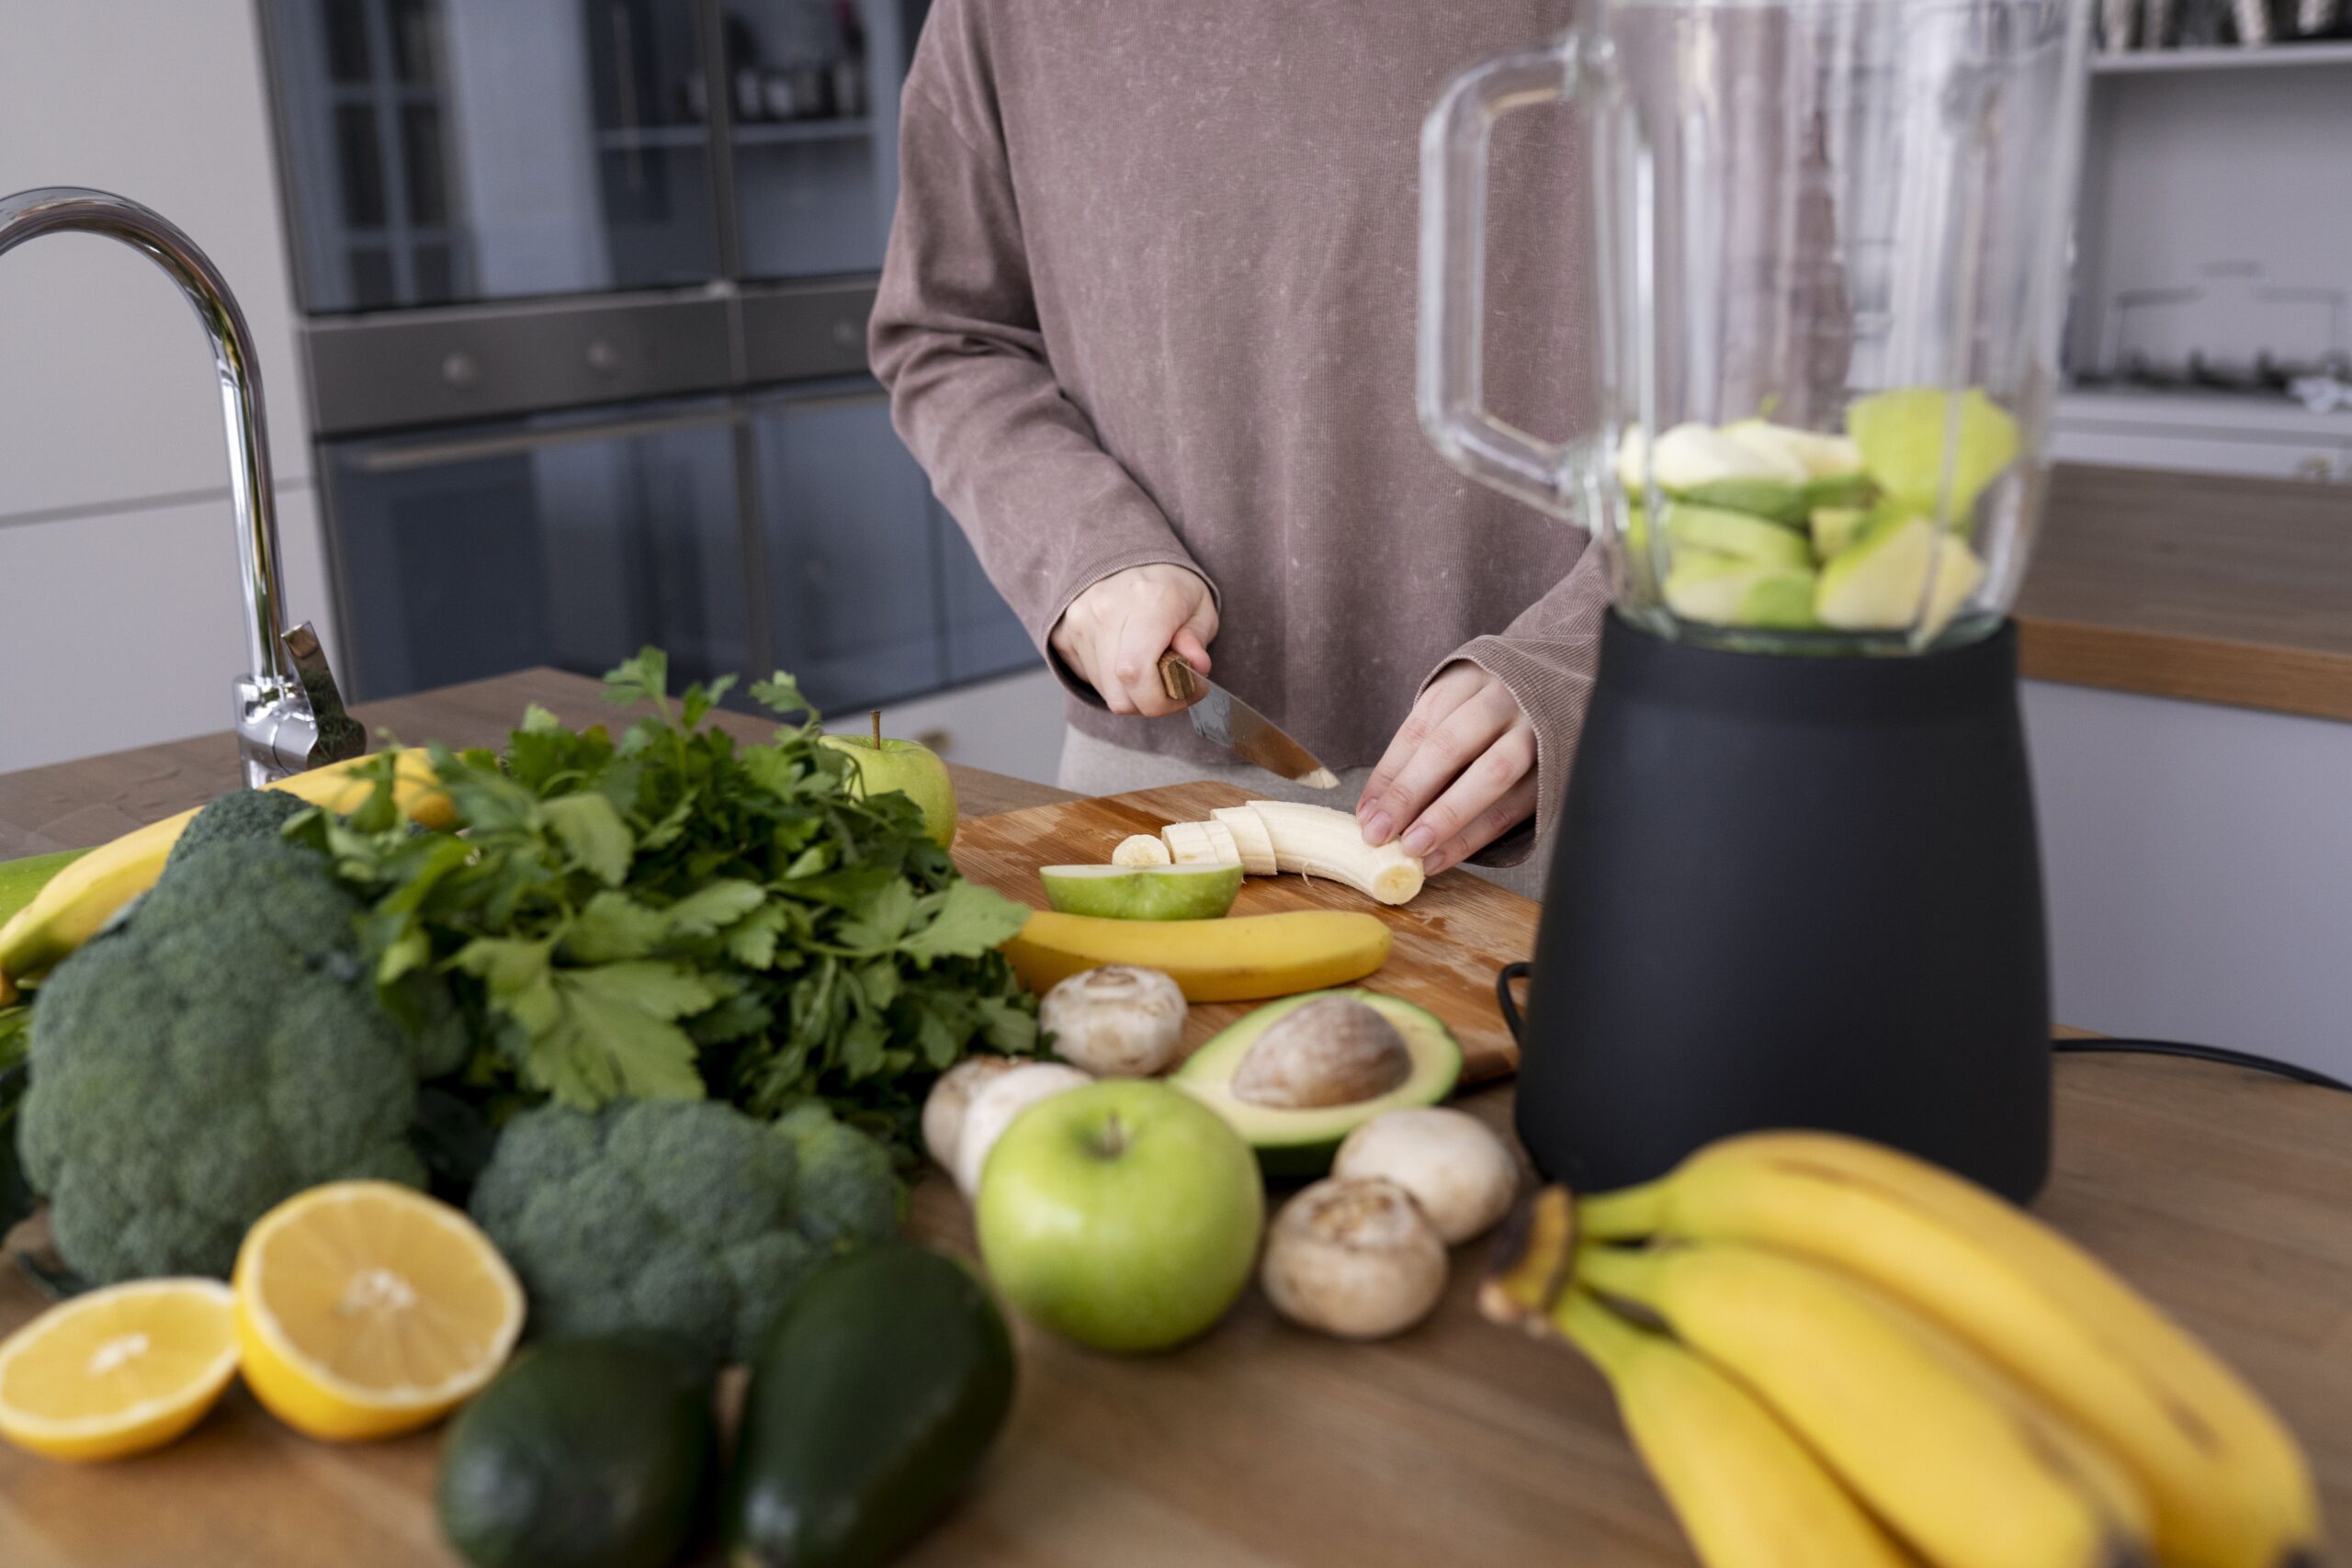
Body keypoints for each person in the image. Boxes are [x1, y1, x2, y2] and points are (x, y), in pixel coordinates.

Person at [870, 1, 1601, 896]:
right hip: (1162, 795)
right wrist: (1084, 549)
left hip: (1576, 794)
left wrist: (1582, 654)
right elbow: (949, 338)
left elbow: (1799, 382)